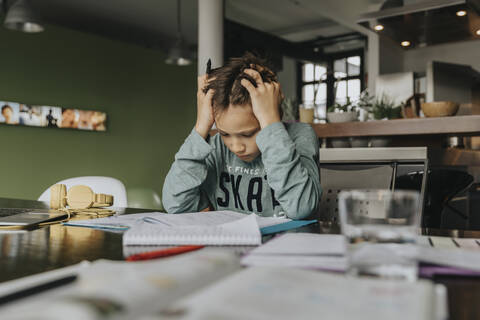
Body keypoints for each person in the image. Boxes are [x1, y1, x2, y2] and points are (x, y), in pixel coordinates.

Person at [162, 53, 321, 219]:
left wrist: (271, 124)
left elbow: (302, 208)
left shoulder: (300, 136)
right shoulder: (215, 147)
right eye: (225, 134)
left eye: (248, 134)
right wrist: (201, 127)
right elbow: (175, 204)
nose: (236, 146)